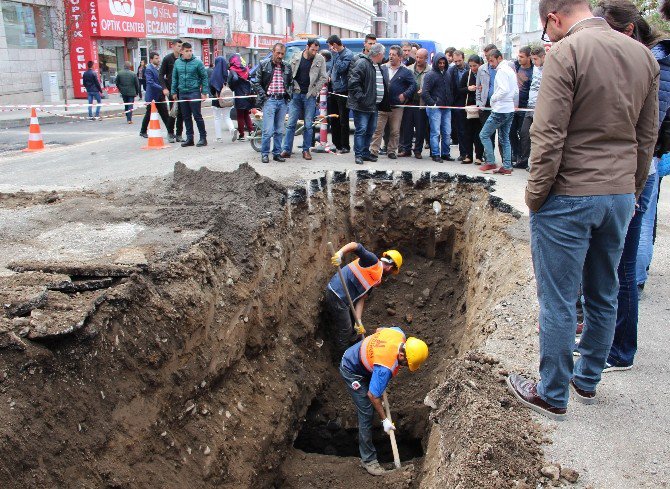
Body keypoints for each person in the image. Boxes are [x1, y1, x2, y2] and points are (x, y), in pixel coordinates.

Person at [507, 0, 659, 421]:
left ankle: (552, 392)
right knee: (603, 290)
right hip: (619, 195)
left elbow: (548, 132)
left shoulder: (566, 54)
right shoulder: (642, 55)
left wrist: (536, 196)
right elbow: (646, 135)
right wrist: (633, 191)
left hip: (569, 195)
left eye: (545, 30)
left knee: (558, 299)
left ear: (553, 17)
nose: (547, 38)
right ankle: (588, 379)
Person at [586, 0, 666, 373]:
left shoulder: (653, 62)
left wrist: (633, 184)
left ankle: (619, 350)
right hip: (629, 172)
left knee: (623, 266)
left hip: (634, 174)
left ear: (627, 30)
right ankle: (605, 341)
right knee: (612, 264)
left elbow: (647, 130)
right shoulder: (650, 59)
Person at [339, 327, 428, 476]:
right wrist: (384, 420)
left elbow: (379, 330)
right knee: (367, 410)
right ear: (401, 354)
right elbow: (373, 396)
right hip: (352, 369)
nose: (405, 366)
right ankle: (369, 460)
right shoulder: (385, 368)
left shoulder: (398, 333)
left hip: (365, 361)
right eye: (406, 363)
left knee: (375, 391)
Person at [326, 242, 403, 358]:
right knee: (346, 330)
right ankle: (340, 357)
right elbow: (355, 245)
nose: (391, 274)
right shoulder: (371, 261)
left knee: (353, 323)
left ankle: (353, 343)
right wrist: (340, 254)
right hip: (337, 294)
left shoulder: (375, 278)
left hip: (344, 300)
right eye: (392, 272)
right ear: (391, 268)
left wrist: (359, 321)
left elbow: (361, 299)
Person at [281, 38, 327, 160]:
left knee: (308, 125)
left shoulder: (319, 59)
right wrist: (289, 88)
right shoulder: (296, 57)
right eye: (312, 49)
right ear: (307, 47)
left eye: (316, 50)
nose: (314, 52)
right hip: (296, 94)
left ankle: (306, 150)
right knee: (291, 124)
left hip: (309, 96)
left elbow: (323, 77)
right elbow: (288, 73)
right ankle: (286, 149)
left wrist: (315, 91)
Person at [370, 45, 416, 159]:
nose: (390, 57)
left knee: (395, 131)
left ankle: (391, 151)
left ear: (400, 57)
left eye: (393, 55)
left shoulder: (406, 71)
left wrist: (405, 94)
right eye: (389, 54)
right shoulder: (382, 68)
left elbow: (414, 85)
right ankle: (374, 151)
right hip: (382, 105)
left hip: (396, 107)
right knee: (378, 130)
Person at [348, 42, 389, 165]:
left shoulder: (377, 65)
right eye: (383, 54)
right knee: (361, 130)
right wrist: (362, 98)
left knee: (370, 130)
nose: (384, 56)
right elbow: (353, 82)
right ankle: (359, 154)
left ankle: (365, 153)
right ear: (379, 53)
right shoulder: (362, 63)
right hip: (363, 105)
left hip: (373, 105)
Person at [478, 50, 518, 175]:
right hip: (509, 109)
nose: (491, 64)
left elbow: (504, 90)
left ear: (499, 58)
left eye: (492, 61)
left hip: (500, 110)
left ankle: (490, 162)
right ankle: (507, 166)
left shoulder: (501, 71)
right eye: (489, 61)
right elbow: (515, 91)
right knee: (504, 138)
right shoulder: (510, 70)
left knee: (484, 134)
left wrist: (493, 98)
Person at [254, 43, 292, 163]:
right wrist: (264, 96)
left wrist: (288, 95)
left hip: (282, 100)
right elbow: (256, 82)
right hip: (269, 100)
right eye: (278, 53)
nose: (280, 56)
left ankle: (276, 153)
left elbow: (290, 83)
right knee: (268, 130)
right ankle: (265, 154)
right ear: (273, 52)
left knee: (279, 130)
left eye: (282, 53)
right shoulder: (264, 64)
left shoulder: (286, 66)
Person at [171, 42, 209, 147]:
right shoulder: (177, 63)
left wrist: (204, 92)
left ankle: (203, 138)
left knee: (197, 116)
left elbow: (204, 77)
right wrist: (173, 91)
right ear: (182, 51)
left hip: (194, 92)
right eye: (186, 51)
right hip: (182, 92)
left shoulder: (197, 62)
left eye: (190, 50)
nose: (189, 53)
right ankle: (190, 138)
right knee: (186, 116)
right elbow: (175, 78)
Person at [422, 53, 455, 162]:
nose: (441, 65)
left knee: (447, 132)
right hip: (435, 108)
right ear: (435, 63)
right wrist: (433, 104)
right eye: (439, 63)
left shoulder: (447, 74)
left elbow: (451, 90)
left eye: (443, 63)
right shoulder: (430, 75)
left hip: (446, 107)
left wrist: (450, 101)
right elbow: (425, 92)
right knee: (435, 132)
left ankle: (445, 153)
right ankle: (435, 154)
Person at [399, 48, 431, 159]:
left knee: (420, 128)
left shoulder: (430, 71)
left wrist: (425, 91)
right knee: (407, 127)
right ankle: (406, 149)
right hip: (409, 102)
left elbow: (433, 87)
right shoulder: (408, 69)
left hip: (421, 104)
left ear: (426, 58)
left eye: (420, 58)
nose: (418, 59)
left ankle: (418, 150)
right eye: (416, 57)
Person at [517, 47, 545, 170]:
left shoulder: (550, 69)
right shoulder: (534, 69)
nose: (534, 61)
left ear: (543, 57)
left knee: (539, 137)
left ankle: (536, 165)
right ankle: (524, 160)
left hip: (542, 108)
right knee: (524, 133)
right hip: (530, 106)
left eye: (536, 59)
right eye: (532, 59)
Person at [328, 35, 354, 154]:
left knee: (343, 120)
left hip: (343, 90)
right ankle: (336, 143)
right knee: (334, 118)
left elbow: (342, 68)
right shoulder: (336, 55)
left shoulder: (347, 54)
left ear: (334, 45)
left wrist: (335, 55)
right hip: (333, 89)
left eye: (330, 46)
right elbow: (333, 68)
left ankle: (345, 145)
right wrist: (328, 75)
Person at [476, 44, 503, 159]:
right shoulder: (482, 69)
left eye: (490, 56)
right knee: (487, 134)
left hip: (500, 105)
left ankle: (506, 160)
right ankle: (489, 158)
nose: (488, 59)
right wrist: (479, 102)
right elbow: (478, 87)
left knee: (503, 135)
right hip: (486, 105)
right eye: (487, 57)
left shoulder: (503, 68)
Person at [458, 55, 484, 164]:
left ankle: (479, 156)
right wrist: (468, 88)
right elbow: (459, 89)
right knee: (467, 132)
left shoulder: (483, 74)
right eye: (471, 66)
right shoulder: (467, 74)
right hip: (469, 107)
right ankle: (468, 155)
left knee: (479, 133)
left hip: (481, 107)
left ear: (480, 64)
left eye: (475, 66)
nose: (473, 68)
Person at [510, 46, 533, 167]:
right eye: (518, 56)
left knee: (524, 133)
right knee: (511, 131)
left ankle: (523, 159)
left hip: (525, 106)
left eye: (522, 57)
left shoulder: (534, 71)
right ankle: (516, 153)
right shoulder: (515, 67)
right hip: (513, 105)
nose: (519, 59)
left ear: (529, 57)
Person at [140, 51, 171, 138]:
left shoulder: (158, 68)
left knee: (165, 114)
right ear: (151, 60)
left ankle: (170, 132)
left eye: (159, 58)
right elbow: (150, 82)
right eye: (156, 58)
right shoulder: (149, 69)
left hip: (160, 96)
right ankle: (143, 131)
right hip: (152, 96)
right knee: (149, 114)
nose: (158, 60)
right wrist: (162, 88)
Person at [159, 39, 183, 143]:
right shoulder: (168, 59)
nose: (180, 48)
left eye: (181, 46)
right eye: (178, 46)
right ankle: (170, 133)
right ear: (173, 46)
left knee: (182, 113)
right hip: (171, 90)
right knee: (173, 112)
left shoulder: (183, 58)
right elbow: (161, 75)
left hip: (182, 89)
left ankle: (179, 134)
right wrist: (164, 88)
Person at [228, 53, 255, 142]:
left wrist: (232, 87)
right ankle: (251, 131)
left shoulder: (233, 69)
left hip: (239, 94)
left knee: (240, 115)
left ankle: (242, 134)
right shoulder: (246, 68)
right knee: (246, 114)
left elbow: (234, 79)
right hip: (247, 93)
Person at [209, 56, 236, 143]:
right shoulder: (228, 73)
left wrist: (215, 93)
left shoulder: (214, 73)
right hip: (227, 98)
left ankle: (219, 138)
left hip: (217, 99)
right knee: (227, 117)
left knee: (217, 118)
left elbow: (211, 86)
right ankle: (232, 129)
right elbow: (234, 81)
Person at [449, 50, 468, 161]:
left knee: (470, 130)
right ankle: (463, 153)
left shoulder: (469, 69)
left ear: (463, 58)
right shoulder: (451, 71)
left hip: (469, 102)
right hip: (457, 103)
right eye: (455, 61)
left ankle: (472, 153)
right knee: (461, 129)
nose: (457, 63)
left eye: (459, 61)